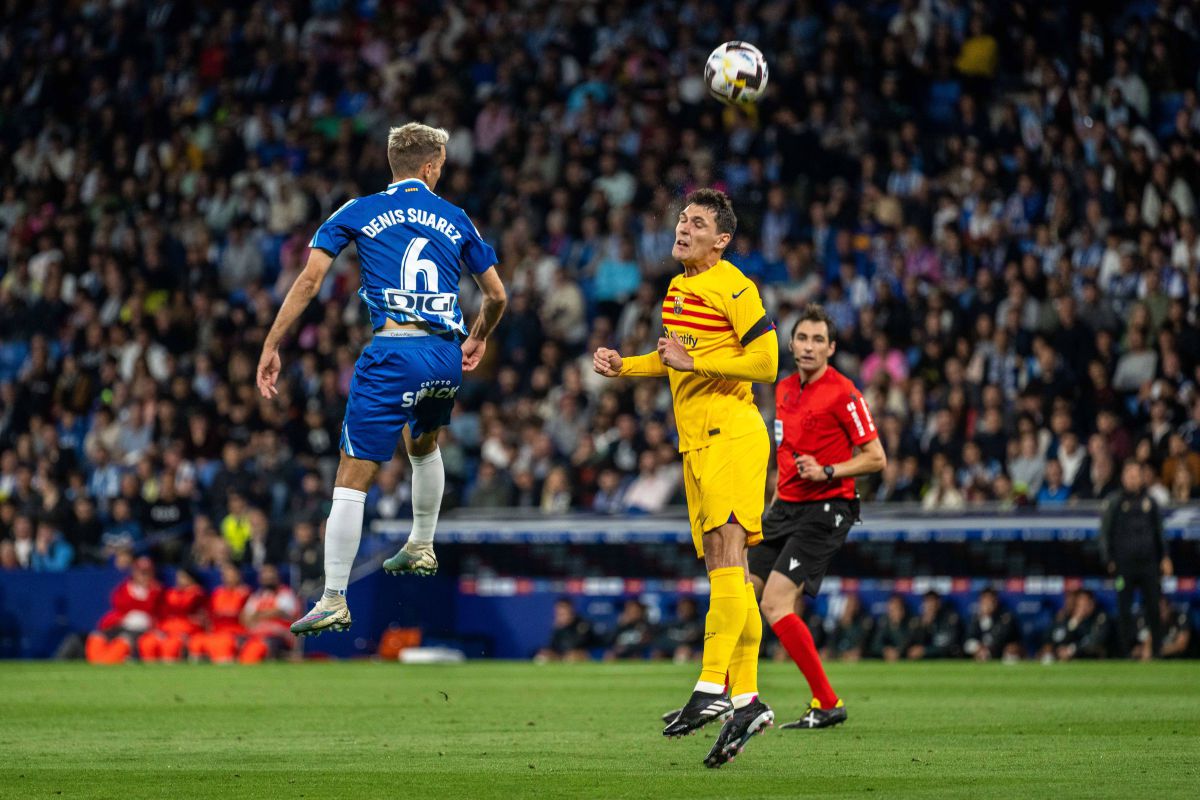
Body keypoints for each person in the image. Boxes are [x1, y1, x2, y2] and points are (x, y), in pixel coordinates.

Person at [256, 123, 507, 637]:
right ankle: (422, 543)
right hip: (445, 353)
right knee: (424, 442)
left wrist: (272, 343)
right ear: (430, 167)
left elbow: (310, 280)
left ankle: (332, 598)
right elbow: (498, 295)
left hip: (394, 350)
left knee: (352, 475)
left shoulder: (358, 210)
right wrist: (479, 336)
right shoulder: (457, 216)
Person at [593, 189, 778, 768]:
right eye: (681, 219)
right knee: (730, 572)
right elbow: (672, 359)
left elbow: (767, 361)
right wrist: (627, 366)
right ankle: (746, 700)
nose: (683, 228)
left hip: (733, 433)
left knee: (727, 556)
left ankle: (711, 685)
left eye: (697, 223)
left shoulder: (735, 286)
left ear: (721, 240)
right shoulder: (677, 289)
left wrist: (694, 362)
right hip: (696, 442)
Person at [749, 304, 886, 730]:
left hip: (826, 508)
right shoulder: (784, 388)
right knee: (740, 595)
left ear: (831, 348)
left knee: (774, 603)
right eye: (802, 338)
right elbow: (785, 456)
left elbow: (876, 458)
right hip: (784, 507)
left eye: (818, 340)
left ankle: (827, 702)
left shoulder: (845, 393)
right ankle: (728, 696)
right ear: (791, 344)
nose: (809, 347)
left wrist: (829, 470)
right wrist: (773, 504)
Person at [1098, 461, 1172, 657]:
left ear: (1142, 477)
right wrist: (1108, 559)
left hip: (1149, 564)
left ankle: (1156, 650)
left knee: (1154, 607)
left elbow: (1159, 532)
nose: (1133, 479)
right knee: (1124, 608)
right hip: (1124, 564)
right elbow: (1105, 533)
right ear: (1123, 477)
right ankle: (1128, 650)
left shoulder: (1151, 502)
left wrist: (1165, 557)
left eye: (1136, 475)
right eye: (1129, 475)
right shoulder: (1115, 502)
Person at [137, 567, 207, 663]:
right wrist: (159, 629)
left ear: (191, 579)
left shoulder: (198, 595)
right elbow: (161, 613)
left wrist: (188, 634)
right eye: (178, 577)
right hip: (166, 629)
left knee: (170, 645)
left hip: (185, 631)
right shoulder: (169, 593)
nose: (179, 580)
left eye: (183, 577)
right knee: (147, 642)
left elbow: (198, 617)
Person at [238, 564, 300, 663]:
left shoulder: (286, 594)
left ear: (277, 578)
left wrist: (257, 615)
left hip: (279, 635)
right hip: (256, 634)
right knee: (240, 641)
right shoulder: (256, 596)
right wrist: (267, 614)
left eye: (271, 577)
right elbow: (245, 617)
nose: (268, 579)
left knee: (268, 643)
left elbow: (280, 612)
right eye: (265, 577)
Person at [963, 588, 1022, 662]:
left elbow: (1002, 639)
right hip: (980, 653)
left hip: (1001, 653)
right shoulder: (975, 618)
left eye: (990, 601)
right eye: (984, 601)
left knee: (1011, 650)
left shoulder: (1005, 618)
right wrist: (978, 647)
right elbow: (969, 638)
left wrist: (987, 650)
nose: (987, 604)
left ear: (995, 602)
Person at [535, 598, 596, 663]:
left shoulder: (582, 624)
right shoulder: (558, 628)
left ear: (571, 611)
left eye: (563, 612)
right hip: (561, 657)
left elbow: (580, 645)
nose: (560, 615)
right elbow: (552, 647)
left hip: (581, 657)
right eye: (558, 613)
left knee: (573, 656)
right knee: (542, 657)